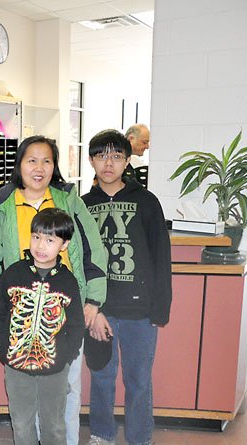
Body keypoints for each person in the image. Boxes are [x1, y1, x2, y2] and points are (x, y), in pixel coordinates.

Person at [0, 135, 107, 445]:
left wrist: (94, 300)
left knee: (65, 391)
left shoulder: (69, 200)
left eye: (47, 160)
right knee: (24, 399)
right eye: (31, 160)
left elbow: (92, 250)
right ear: (19, 165)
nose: (39, 167)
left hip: (63, 309)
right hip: (20, 312)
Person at [82, 129, 172, 445]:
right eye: (101, 155)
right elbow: (79, 262)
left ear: (127, 160)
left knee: (138, 381)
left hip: (140, 311)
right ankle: (102, 434)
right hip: (100, 309)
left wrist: (161, 308)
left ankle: (140, 438)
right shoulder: (83, 205)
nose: (109, 162)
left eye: (117, 155)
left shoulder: (147, 202)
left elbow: (162, 256)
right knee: (102, 377)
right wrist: (89, 309)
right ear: (91, 160)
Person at [0, 208, 85, 445]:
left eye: (50, 240)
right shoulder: (13, 273)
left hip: (55, 369)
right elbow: (0, 312)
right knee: (21, 424)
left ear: (64, 245)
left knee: (53, 425)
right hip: (16, 366)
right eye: (36, 237)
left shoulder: (68, 281)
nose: (41, 246)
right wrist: (5, 346)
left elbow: (76, 324)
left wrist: (66, 355)